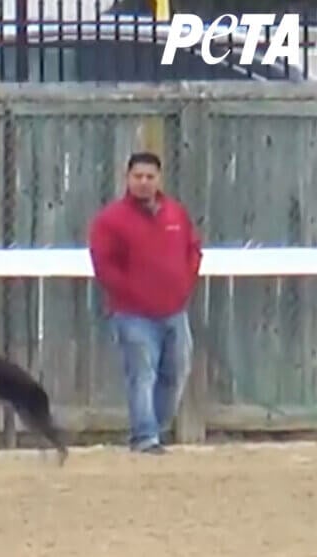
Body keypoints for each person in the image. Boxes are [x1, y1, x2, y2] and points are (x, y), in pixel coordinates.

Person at [88, 151, 203, 455]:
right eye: (138, 176)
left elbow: (193, 250)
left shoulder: (176, 214)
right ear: (127, 178)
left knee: (176, 373)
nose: (143, 182)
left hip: (174, 311)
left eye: (149, 177)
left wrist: (184, 285)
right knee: (142, 374)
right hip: (133, 314)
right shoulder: (111, 220)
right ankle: (145, 437)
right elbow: (104, 264)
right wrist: (129, 294)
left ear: (159, 179)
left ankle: (156, 429)